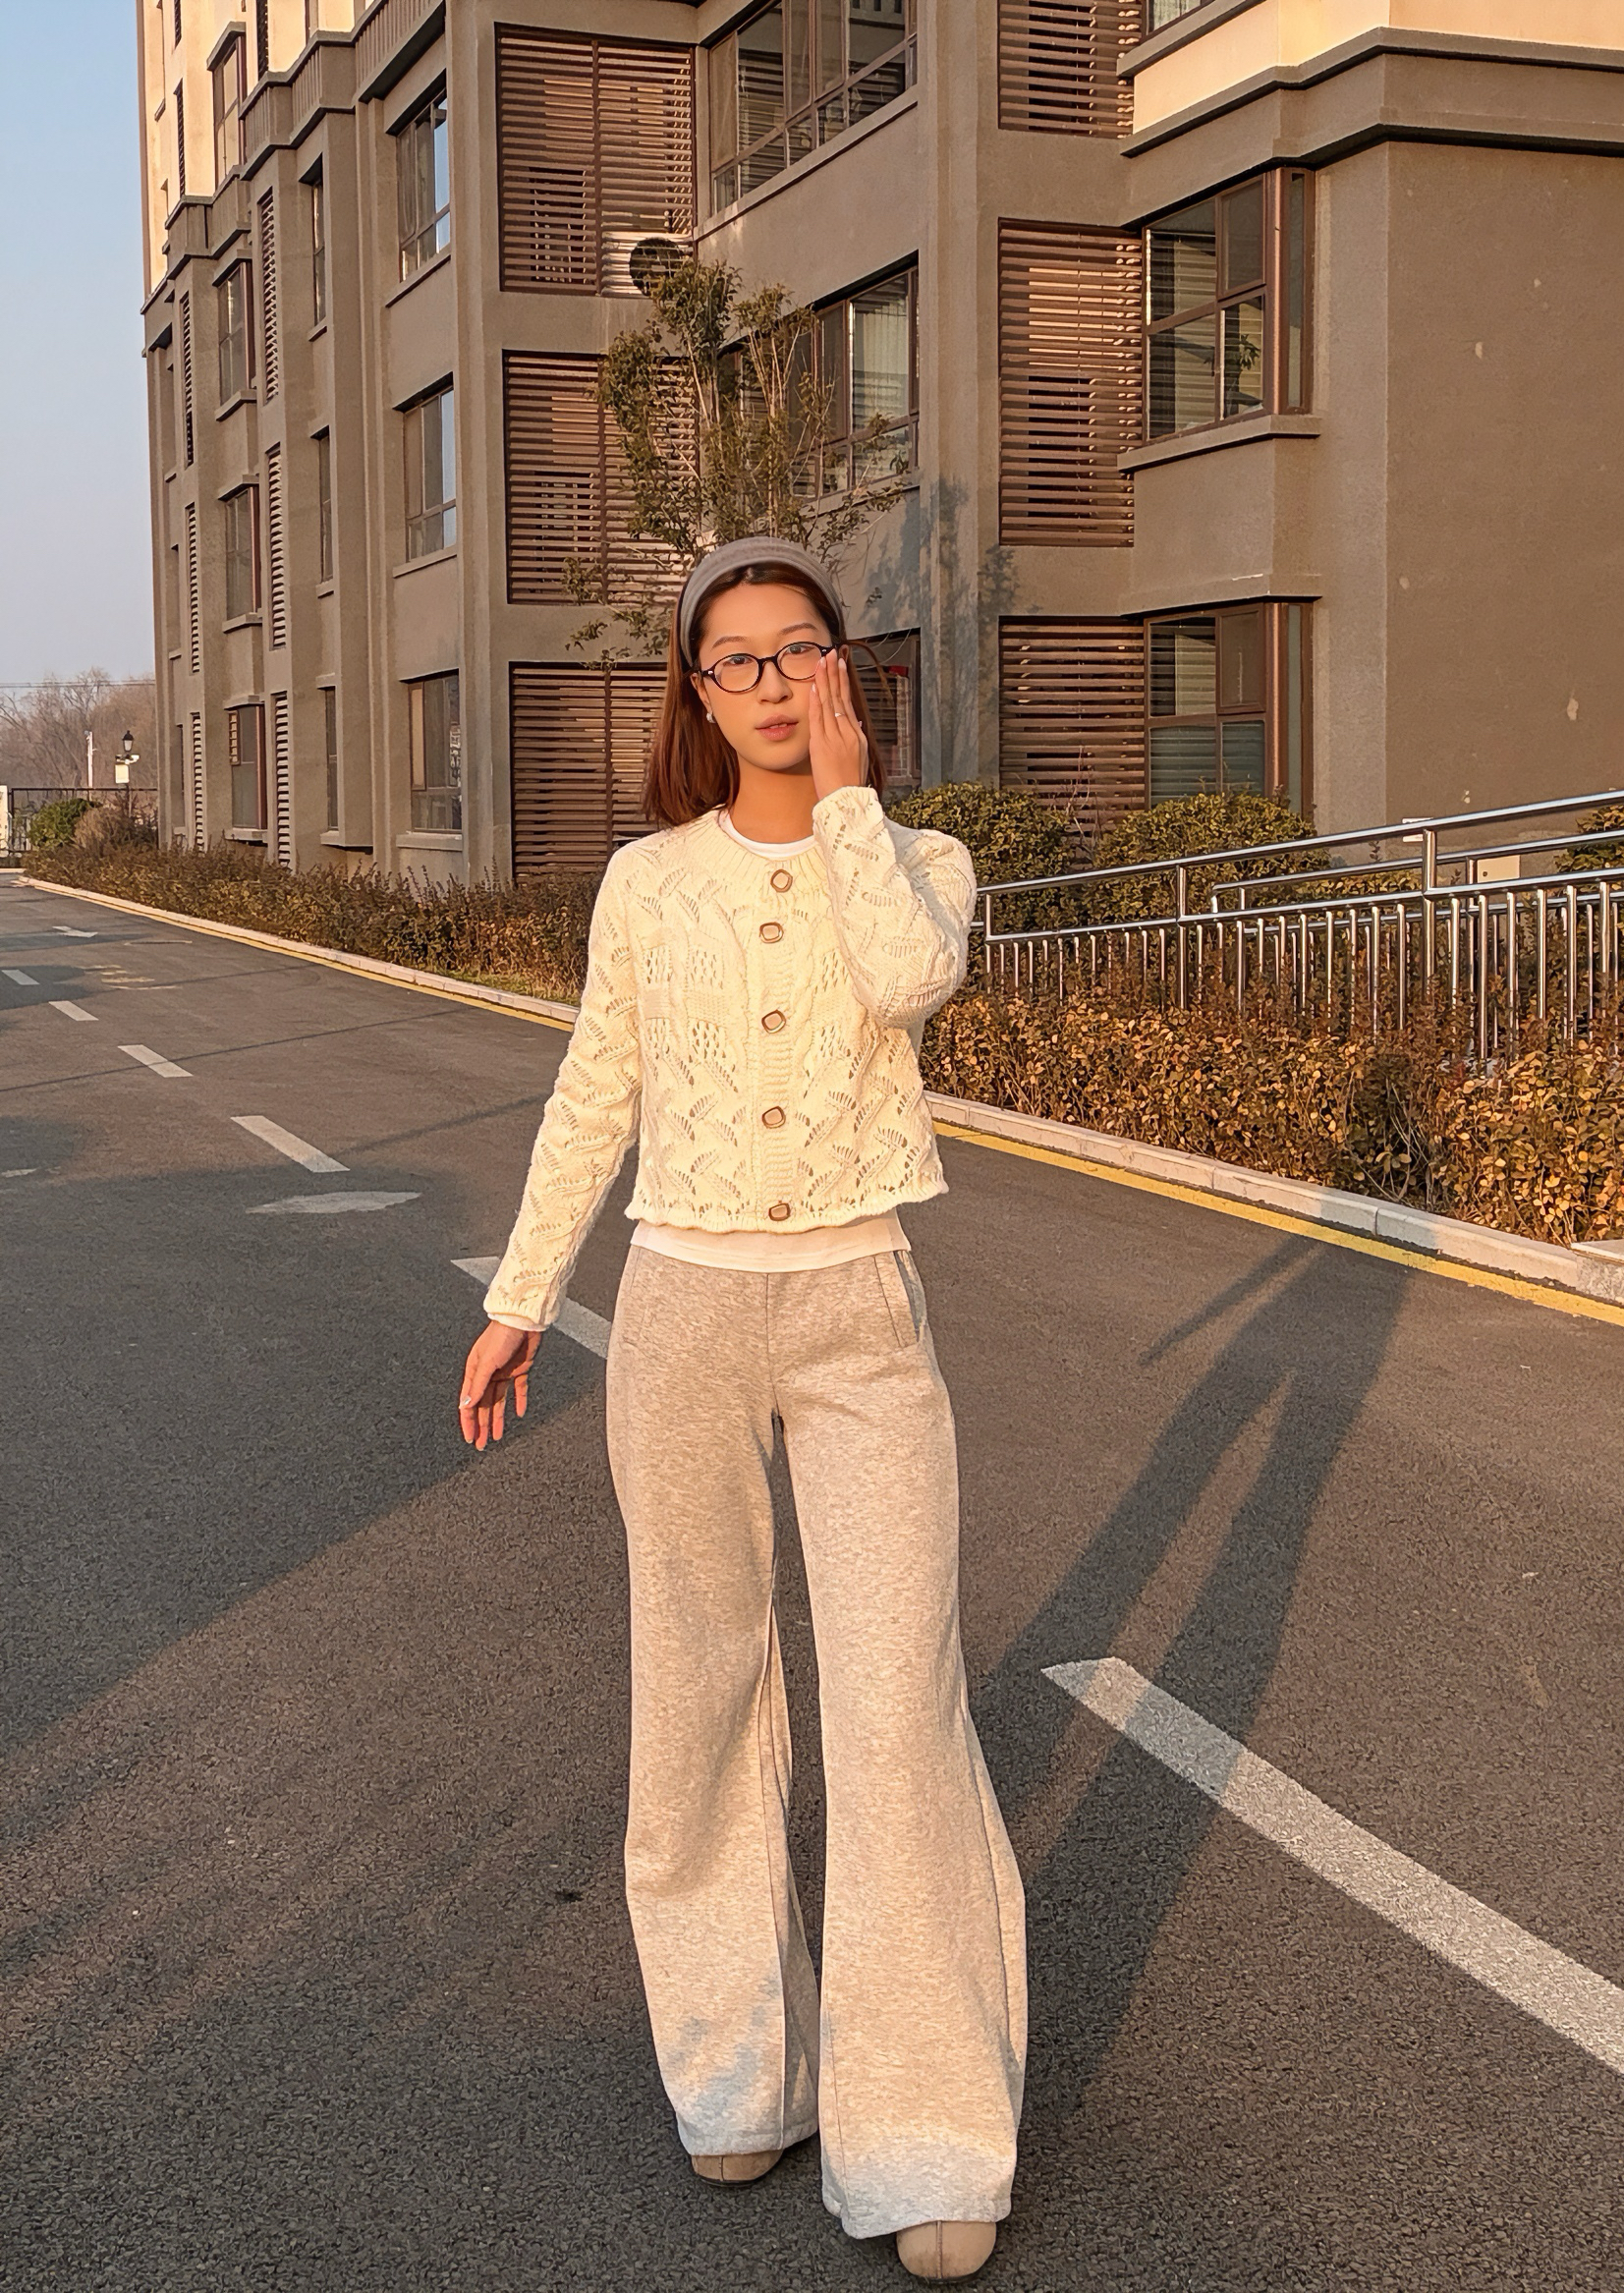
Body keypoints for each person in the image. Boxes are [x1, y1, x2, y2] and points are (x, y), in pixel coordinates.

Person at [457, 535, 1027, 2281]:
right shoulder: (648, 882)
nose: (773, 683)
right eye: (738, 659)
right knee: (697, 1688)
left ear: (844, 669)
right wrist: (520, 1295)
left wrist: (849, 804)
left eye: (801, 650)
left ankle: (925, 2129)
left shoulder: (922, 859)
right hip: (684, 1309)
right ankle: (738, 2068)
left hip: (862, 1311)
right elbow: (596, 1089)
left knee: (895, 1704)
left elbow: (908, 983)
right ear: (696, 693)